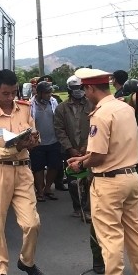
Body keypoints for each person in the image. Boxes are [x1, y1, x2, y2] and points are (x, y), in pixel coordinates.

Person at [67, 68, 138, 275]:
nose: (84, 94)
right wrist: (83, 159)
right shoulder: (125, 108)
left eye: (85, 89)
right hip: (131, 176)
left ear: (90, 88)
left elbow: (98, 156)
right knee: (135, 232)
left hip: (109, 181)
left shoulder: (101, 114)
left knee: (110, 236)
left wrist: (79, 164)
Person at [0, 69, 46, 275]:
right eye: (5, 93)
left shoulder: (25, 109)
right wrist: (16, 147)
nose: (9, 98)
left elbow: (35, 135)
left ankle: (26, 262)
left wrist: (33, 141)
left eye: (13, 93)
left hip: (23, 171)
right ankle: (0, 272)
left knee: (32, 223)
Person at [53, 75, 93, 219]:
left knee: (89, 179)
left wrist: (86, 146)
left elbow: (96, 127)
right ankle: (77, 207)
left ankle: (87, 208)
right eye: (76, 88)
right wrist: (70, 148)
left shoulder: (91, 105)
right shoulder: (61, 108)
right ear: (70, 89)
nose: (79, 91)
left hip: (88, 150)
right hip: (70, 150)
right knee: (73, 180)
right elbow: (59, 130)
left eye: (81, 88)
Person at [29, 81, 62, 202]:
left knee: (54, 165)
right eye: (46, 93)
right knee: (38, 168)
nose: (49, 95)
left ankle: (48, 188)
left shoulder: (53, 102)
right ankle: (40, 191)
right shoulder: (31, 104)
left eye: (50, 92)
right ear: (39, 93)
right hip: (38, 142)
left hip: (53, 140)